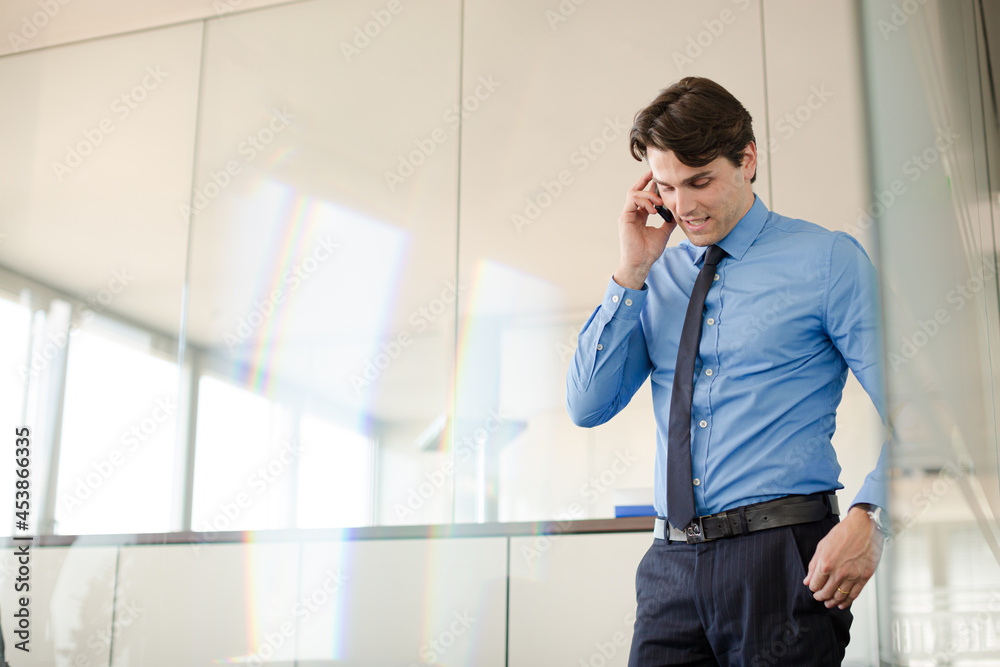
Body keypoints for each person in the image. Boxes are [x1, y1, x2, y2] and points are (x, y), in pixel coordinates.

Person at [566, 76, 889, 666]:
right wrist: (631, 270)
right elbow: (588, 406)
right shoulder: (656, 274)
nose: (683, 206)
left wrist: (873, 516)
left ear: (748, 160)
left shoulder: (826, 261)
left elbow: (922, 409)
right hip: (669, 565)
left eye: (700, 182)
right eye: (666, 187)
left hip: (783, 561)